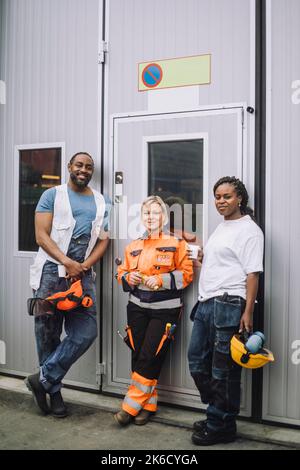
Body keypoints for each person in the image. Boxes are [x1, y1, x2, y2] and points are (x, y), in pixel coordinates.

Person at [26, 152, 110, 417]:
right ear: (69, 167)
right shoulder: (51, 195)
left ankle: (43, 379)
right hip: (50, 274)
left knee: (86, 332)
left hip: (82, 277)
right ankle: (55, 394)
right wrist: (66, 262)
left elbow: (104, 240)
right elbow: (41, 236)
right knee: (48, 335)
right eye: (79, 165)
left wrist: (83, 267)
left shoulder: (102, 201)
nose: (84, 170)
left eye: (89, 167)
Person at [188, 176, 264, 446]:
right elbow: (225, 260)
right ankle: (219, 414)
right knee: (197, 361)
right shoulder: (222, 227)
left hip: (230, 303)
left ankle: (220, 423)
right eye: (218, 197)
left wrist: (248, 311)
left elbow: (252, 273)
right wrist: (203, 258)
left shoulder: (250, 230)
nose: (221, 201)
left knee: (224, 370)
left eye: (227, 196)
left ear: (239, 198)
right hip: (207, 302)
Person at [115, 195, 193, 426]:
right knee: (139, 355)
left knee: (151, 355)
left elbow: (187, 274)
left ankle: (129, 406)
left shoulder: (177, 243)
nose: (151, 217)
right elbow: (120, 274)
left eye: (156, 213)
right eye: (147, 213)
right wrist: (129, 276)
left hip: (165, 311)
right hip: (136, 308)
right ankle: (147, 406)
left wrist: (162, 280)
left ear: (164, 216)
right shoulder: (133, 246)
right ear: (141, 217)